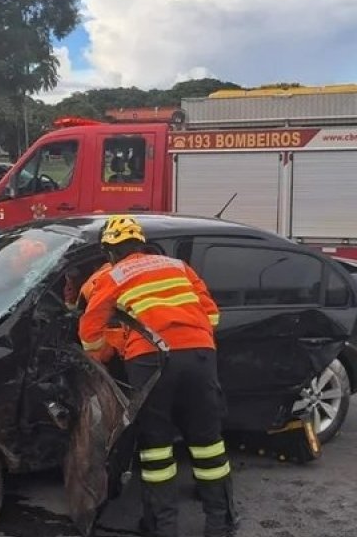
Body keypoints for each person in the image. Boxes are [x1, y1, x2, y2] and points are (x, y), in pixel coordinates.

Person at [79, 215, 237, 537]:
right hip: (200, 356)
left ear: (110, 252)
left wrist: (105, 352)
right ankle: (219, 525)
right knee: (208, 443)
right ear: (142, 243)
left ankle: (162, 527)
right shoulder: (179, 266)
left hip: (150, 361)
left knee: (156, 447)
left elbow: (90, 328)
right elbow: (212, 314)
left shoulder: (115, 274)